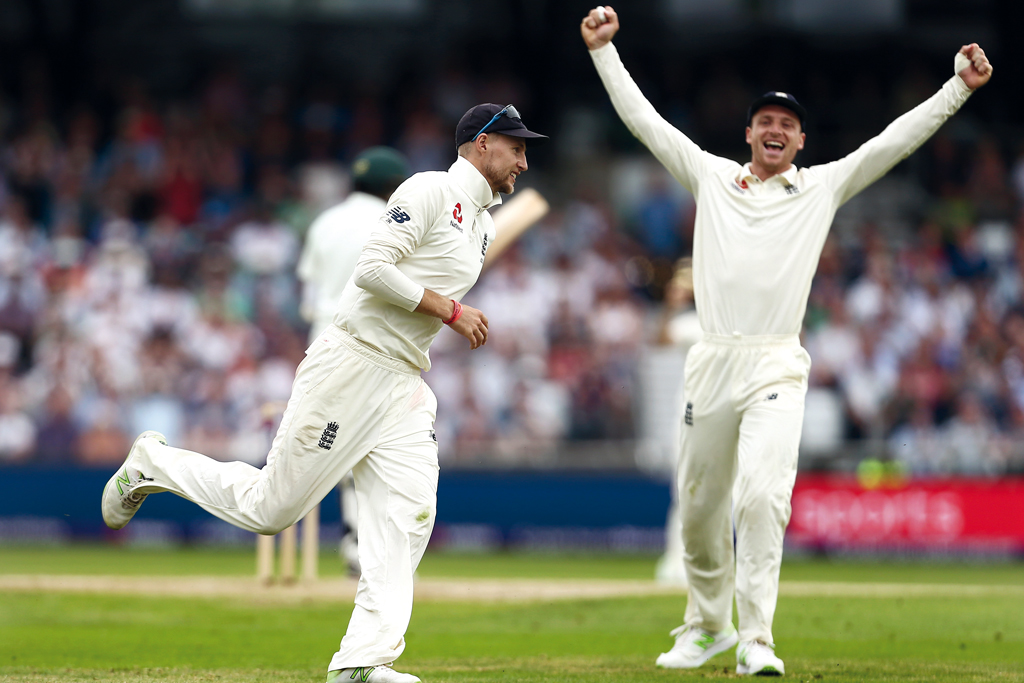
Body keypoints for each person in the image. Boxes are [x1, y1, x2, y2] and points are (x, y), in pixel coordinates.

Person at [581, 6, 992, 676]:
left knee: (762, 496)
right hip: (711, 359)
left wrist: (958, 89)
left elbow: (892, 143)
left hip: (776, 359)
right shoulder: (712, 175)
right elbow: (645, 123)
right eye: (765, 121)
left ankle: (757, 639)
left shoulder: (821, 187)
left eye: (787, 124)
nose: (775, 130)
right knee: (700, 507)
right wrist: (603, 52)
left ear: (801, 140)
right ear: (748, 133)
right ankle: (706, 626)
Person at [102, 103, 547, 683]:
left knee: (409, 513)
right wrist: (451, 309)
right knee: (271, 510)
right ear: (483, 143)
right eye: (516, 147)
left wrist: (444, 308)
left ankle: (362, 663)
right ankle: (151, 463)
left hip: (403, 381)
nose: (524, 160)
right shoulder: (429, 190)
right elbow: (370, 269)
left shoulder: (483, 225)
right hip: (351, 365)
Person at [297, 147, 412, 576]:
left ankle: (357, 545)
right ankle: (364, 547)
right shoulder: (395, 223)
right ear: (392, 186)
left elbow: (309, 305)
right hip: (370, 345)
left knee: (334, 446)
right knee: (377, 448)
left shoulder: (324, 223)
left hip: (321, 347)